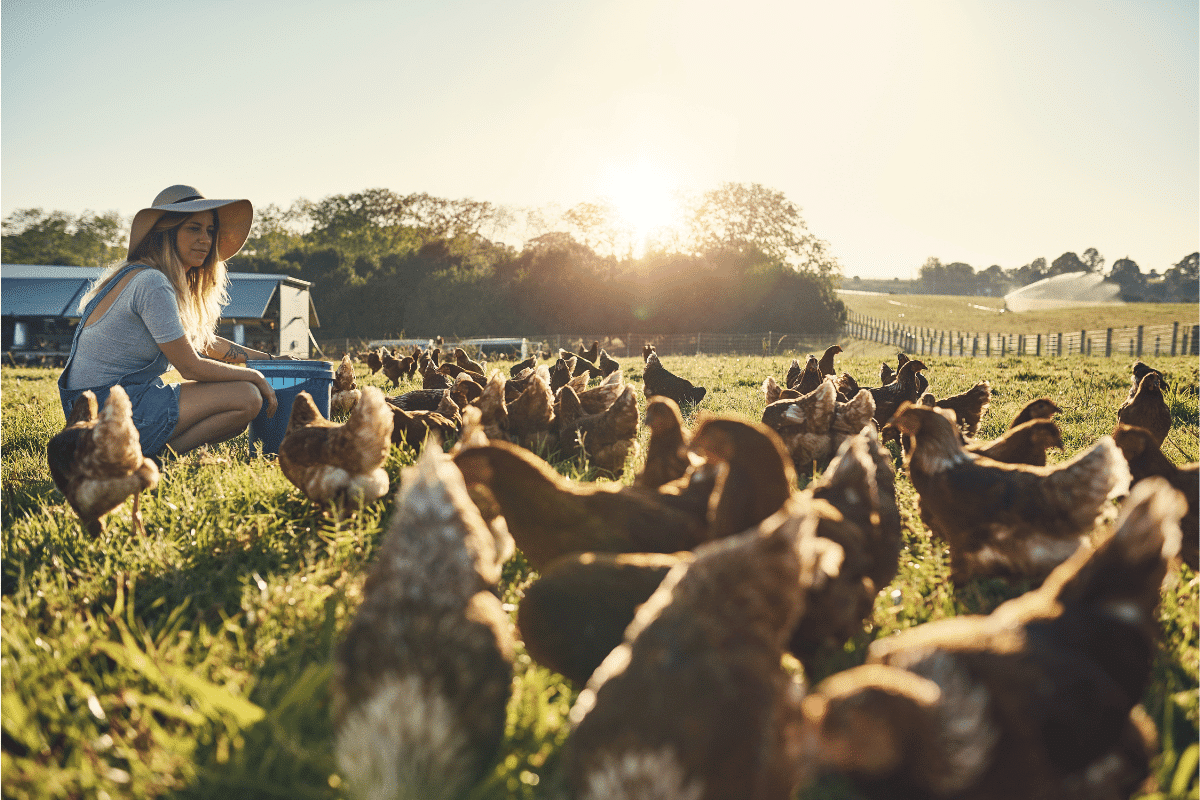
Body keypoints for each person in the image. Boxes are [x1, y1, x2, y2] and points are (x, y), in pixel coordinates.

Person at [58, 184, 292, 458]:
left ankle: (152, 456)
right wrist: (256, 376)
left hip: (94, 410)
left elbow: (203, 343)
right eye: (193, 228)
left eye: (210, 230)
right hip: (107, 410)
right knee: (247, 397)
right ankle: (156, 461)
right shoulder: (151, 282)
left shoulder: (142, 276)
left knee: (243, 395)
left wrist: (268, 360)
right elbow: (190, 365)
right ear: (166, 233)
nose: (205, 239)